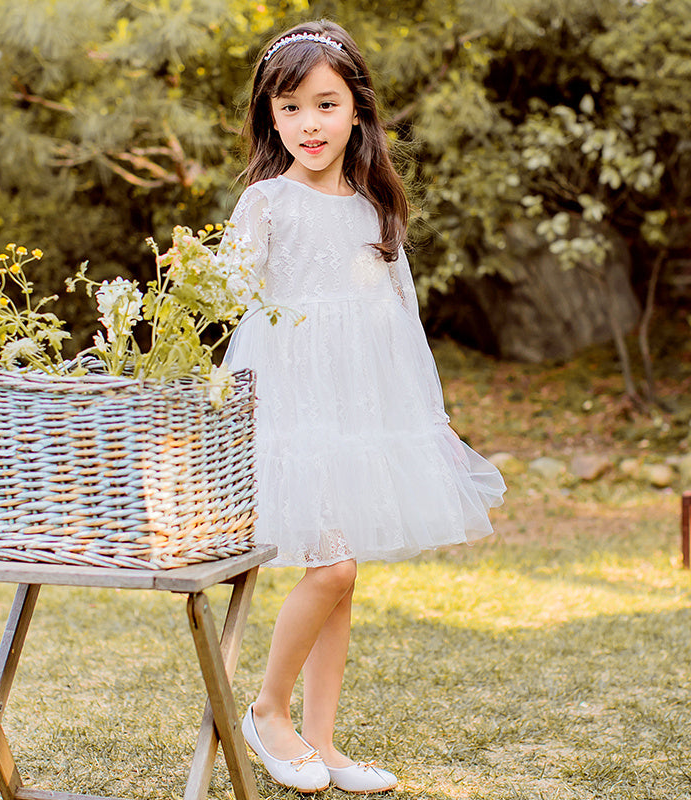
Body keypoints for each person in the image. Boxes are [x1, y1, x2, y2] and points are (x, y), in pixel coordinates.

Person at [221, 19, 506, 794]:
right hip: (292, 410)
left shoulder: (375, 206)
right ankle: (266, 711)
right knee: (334, 565)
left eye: (324, 104)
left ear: (357, 111)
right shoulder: (267, 202)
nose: (307, 124)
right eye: (288, 109)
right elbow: (231, 304)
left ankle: (322, 740)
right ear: (270, 119)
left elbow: (399, 322)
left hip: (359, 411)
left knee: (339, 574)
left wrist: (427, 421)